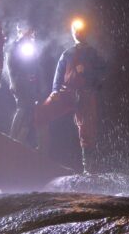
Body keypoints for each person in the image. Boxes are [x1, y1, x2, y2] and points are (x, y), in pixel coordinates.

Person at [35, 17, 105, 173]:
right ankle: (40, 153)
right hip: (67, 92)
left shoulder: (93, 54)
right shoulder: (67, 53)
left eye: (81, 30)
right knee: (42, 112)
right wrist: (55, 91)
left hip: (85, 94)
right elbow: (58, 74)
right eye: (76, 30)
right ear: (73, 33)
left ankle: (89, 168)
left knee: (87, 130)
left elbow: (102, 73)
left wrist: (87, 72)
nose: (78, 33)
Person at [6, 27, 45, 145]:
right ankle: (11, 138)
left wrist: (39, 86)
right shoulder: (16, 46)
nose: (29, 33)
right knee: (22, 107)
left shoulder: (32, 47)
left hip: (31, 83)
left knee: (30, 111)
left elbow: (37, 67)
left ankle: (19, 141)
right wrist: (13, 81)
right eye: (26, 31)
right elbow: (10, 65)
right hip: (20, 81)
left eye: (31, 31)